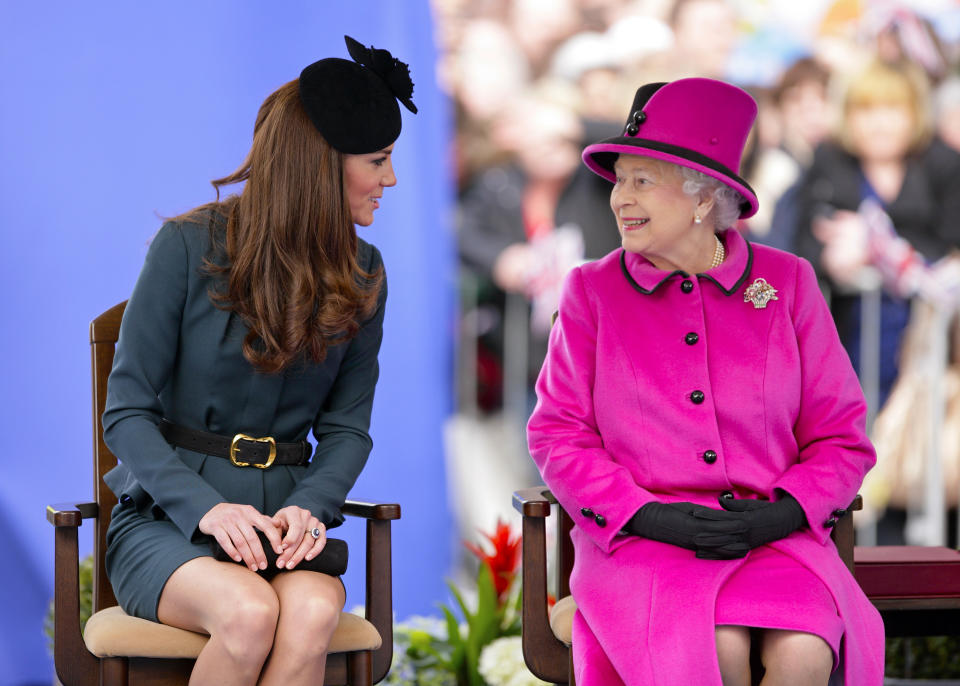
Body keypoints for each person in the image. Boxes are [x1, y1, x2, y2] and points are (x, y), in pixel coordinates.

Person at [526, 78, 884, 685]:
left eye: (643, 180)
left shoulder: (787, 283)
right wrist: (645, 516)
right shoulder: (592, 291)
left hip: (773, 540)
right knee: (714, 648)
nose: (619, 199)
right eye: (619, 180)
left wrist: (783, 512)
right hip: (643, 546)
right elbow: (558, 436)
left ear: (701, 198)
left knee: (804, 652)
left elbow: (841, 435)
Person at [101, 35, 416, 685]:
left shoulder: (366, 272)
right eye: (379, 160)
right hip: (170, 521)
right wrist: (207, 510)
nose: (390, 179)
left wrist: (312, 507)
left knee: (307, 616)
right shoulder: (186, 245)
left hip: (283, 528)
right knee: (247, 615)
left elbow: (347, 427)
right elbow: (126, 413)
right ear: (320, 164)